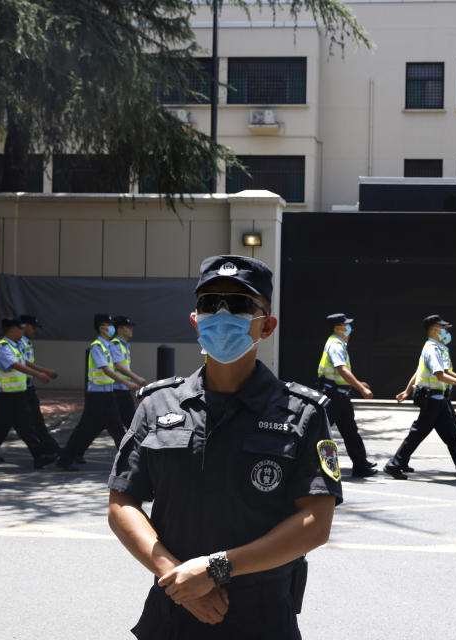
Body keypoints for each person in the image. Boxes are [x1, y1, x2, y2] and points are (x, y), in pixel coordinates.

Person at [108, 254, 342, 639]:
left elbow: (315, 524)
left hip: (261, 616)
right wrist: (177, 578)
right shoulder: (158, 403)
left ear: (266, 326)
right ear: (194, 319)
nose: (220, 312)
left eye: (238, 304)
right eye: (208, 303)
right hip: (173, 609)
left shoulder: (302, 413)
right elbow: (122, 503)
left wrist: (215, 570)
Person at [383, 315, 456, 482]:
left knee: (450, 434)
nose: (447, 332)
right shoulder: (431, 349)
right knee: (422, 434)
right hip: (432, 399)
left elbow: (436, 371)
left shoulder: (437, 348)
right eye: (444, 328)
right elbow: (440, 375)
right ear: (435, 330)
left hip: (438, 399)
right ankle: (394, 464)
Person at [0, 317, 57, 469]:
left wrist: (42, 371)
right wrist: (38, 375)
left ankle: (39, 456)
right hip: (3, 396)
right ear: (13, 330)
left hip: (16, 394)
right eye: (20, 329)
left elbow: (23, 362)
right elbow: (15, 365)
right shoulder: (3, 347)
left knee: (25, 426)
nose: (22, 332)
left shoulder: (15, 346)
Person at [56, 314, 139, 471]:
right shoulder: (97, 347)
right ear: (102, 327)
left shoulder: (106, 346)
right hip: (98, 395)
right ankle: (65, 459)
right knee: (91, 428)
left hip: (107, 394)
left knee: (108, 428)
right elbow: (107, 370)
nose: (113, 328)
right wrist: (127, 383)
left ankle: (70, 457)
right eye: (110, 325)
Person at [316, 313, 377, 477]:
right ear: (337, 328)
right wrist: (362, 389)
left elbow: (342, 373)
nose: (349, 328)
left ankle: (361, 465)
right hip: (333, 396)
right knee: (320, 431)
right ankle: (306, 463)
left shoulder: (338, 344)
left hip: (339, 395)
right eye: (346, 326)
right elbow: (342, 370)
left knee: (350, 431)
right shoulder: (335, 344)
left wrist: (357, 383)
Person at [111, 315, 147, 430]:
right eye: (128, 327)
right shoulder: (115, 344)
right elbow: (119, 366)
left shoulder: (123, 345)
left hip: (122, 388)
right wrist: (137, 378)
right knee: (130, 422)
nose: (131, 329)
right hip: (117, 389)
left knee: (122, 422)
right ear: (120, 329)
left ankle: (130, 445)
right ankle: (136, 445)